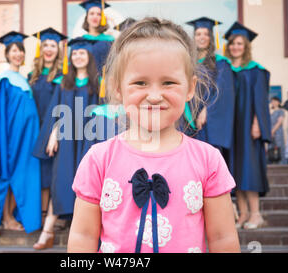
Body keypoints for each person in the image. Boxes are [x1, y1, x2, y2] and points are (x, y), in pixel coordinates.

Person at [68, 17, 240, 253]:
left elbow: (223, 239)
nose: (155, 95)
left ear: (190, 88)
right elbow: (83, 236)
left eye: (169, 82)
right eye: (140, 82)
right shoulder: (99, 159)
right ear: (117, 88)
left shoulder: (208, 160)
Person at [32, 37, 104, 250]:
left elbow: (104, 111)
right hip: (67, 140)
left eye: (82, 53)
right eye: (74, 53)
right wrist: (53, 133)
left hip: (89, 140)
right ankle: (47, 231)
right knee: (60, 180)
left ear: (89, 56)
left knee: (88, 184)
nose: (78, 56)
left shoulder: (98, 83)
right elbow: (55, 109)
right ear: (70, 58)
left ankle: (90, 235)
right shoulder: (65, 83)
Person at [0, 31, 41, 236]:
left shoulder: (23, 79)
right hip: (11, 140)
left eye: (20, 50)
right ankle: (7, 219)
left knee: (19, 176)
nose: (18, 54)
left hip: (25, 140)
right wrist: (4, 141)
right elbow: (0, 116)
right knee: (6, 175)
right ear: (7, 54)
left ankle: (11, 215)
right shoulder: (3, 80)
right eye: (13, 51)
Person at [224, 22, 271, 230]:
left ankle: (256, 214)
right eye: (233, 43)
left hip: (248, 127)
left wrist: (257, 124)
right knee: (236, 170)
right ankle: (242, 214)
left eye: (240, 43)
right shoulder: (226, 69)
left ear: (246, 46)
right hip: (231, 128)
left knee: (249, 169)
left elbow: (260, 101)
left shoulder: (256, 71)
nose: (235, 47)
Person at [183, 17, 235, 168]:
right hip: (187, 119)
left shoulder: (221, 63)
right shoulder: (187, 62)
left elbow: (223, 92)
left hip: (207, 122)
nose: (202, 37)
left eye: (206, 34)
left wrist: (207, 112)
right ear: (194, 37)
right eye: (198, 34)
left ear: (211, 38)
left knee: (209, 162)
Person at [28, 27, 67, 223]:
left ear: (58, 50)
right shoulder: (32, 76)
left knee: (54, 172)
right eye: (46, 45)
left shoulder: (62, 75)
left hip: (54, 129)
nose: (49, 49)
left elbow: (63, 105)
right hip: (35, 129)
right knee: (41, 173)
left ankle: (54, 215)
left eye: (53, 45)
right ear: (41, 49)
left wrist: (56, 129)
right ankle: (42, 214)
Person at [79, 0, 115, 73]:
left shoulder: (110, 40)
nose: (95, 16)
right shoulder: (80, 42)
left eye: (99, 14)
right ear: (87, 17)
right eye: (92, 13)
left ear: (103, 18)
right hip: (87, 82)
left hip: (105, 81)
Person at [268, 97, 286, 164]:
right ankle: (272, 162)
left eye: (275, 101)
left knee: (280, 147)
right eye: (272, 101)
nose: (273, 103)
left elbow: (279, 122)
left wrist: (273, 131)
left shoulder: (281, 111)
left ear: (278, 102)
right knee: (271, 148)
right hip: (270, 132)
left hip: (278, 131)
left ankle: (282, 163)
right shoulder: (271, 111)